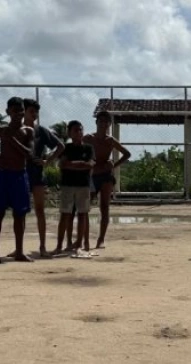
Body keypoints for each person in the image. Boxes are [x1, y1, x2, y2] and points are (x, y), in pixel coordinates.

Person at [0, 97, 34, 264]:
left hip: (19, 175)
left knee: (20, 214)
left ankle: (19, 251)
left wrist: (13, 139)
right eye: (15, 110)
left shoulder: (28, 131)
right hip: (3, 175)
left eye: (21, 110)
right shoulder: (0, 130)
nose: (18, 113)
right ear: (8, 112)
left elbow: (29, 153)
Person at [23, 98, 64, 258]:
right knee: (20, 211)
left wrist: (48, 161)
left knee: (40, 210)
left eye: (36, 112)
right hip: (21, 173)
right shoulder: (17, 130)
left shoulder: (41, 131)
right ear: (24, 112)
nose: (34, 115)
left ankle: (42, 247)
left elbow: (60, 146)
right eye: (31, 111)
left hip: (37, 174)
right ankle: (18, 247)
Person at [85, 111, 131, 249]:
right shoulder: (88, 138)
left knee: (104, 207)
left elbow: (127, 153)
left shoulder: (110, 140)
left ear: (109, 124)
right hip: (92, 174)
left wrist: (113, 165)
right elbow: (78, 150)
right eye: (101, 121)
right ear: (96, 122)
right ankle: (85, 239)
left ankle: (101, 239)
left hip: (105, 175)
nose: (103, 124)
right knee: (85, 207)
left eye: (106, 121)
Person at [55, 121, 95, 258]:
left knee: (82, 214)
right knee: (65, 215)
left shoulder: (88, 148)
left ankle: (79, 244)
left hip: (83, 185)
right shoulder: (66, 148)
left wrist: (72, 164)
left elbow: (90, 165)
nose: (79, 133)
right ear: (70, 133)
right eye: (75, 130)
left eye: (80, 130)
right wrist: (80, 164)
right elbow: (62, 165)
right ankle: (60, 245)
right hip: (68, 185)